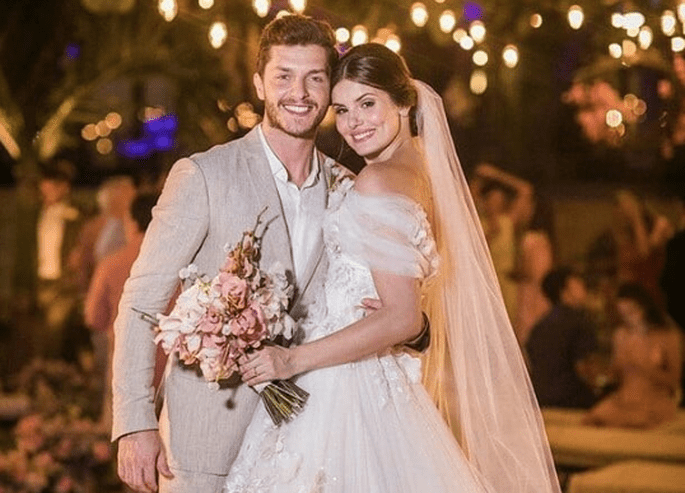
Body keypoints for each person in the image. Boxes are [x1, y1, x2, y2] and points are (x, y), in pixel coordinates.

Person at [225, 43, 560, 492]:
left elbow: (400, 315)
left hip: (343, 391)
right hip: (377, 380)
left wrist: (291, 359)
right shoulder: (418, 171)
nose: (353, 122)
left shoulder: (379, 179)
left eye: (368, 104)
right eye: (342, 110)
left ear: (403, 101)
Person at [112, 15, 343, 493]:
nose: (298, 93)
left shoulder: (349, 188)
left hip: (315, 442)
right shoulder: (203, 176)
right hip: (207, 446)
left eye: (314, 78)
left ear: (330, 87)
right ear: (259, 82)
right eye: (283, 76)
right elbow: (141, 303)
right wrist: (135, 422)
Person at [84, 193, 158, 430]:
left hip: (125, 361)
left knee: (123, 434)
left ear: (132, 223)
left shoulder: (112, 263)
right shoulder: (186, 262)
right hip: (175, 368)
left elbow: (94, 317)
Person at [585, 283, 682, 428]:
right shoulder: (621, 334)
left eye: (632, 312)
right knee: (591, 421)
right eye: (623, 314)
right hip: (624, 400)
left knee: (636, 422)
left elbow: (674, 381)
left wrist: (643, 366)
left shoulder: (667, 336)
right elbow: (615, 375)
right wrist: (604, 371)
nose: (629, 319)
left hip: (654, 401)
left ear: (645, 307)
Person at [526, 267, 601, 409]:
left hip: (540, 398)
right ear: (565, 291)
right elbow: (583, 368)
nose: (583, 287)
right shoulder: (580, 321)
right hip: (572, 399)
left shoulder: (539, 326)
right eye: (578, 283)